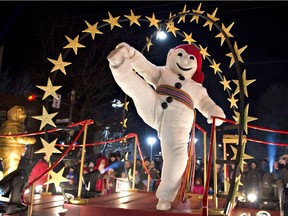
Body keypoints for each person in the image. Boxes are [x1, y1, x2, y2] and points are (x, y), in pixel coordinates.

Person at [107, 42, 225, 211]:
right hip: (155, 105)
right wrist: (131, 54)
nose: (185, 61)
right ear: (170, 55)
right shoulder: (163, 72)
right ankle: (119, 64)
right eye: (181, 55)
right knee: (140, 90)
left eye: (191, 58)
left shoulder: (197, 89)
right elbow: (145, 67)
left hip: (177, 123)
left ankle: (165, 197)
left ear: (196, 67)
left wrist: (216, 113)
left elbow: (207, 104)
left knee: (178, 158)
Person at [0, 106, 36, 176]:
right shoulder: (13, 126)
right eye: (22, 114)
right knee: (10, 171)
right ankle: (6, 185)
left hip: (10, 150)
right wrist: (31, 140)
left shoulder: (9, 125)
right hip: (12, 152)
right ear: (16, 115)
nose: (24, 116)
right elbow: (19, 138)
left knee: (9, 170)